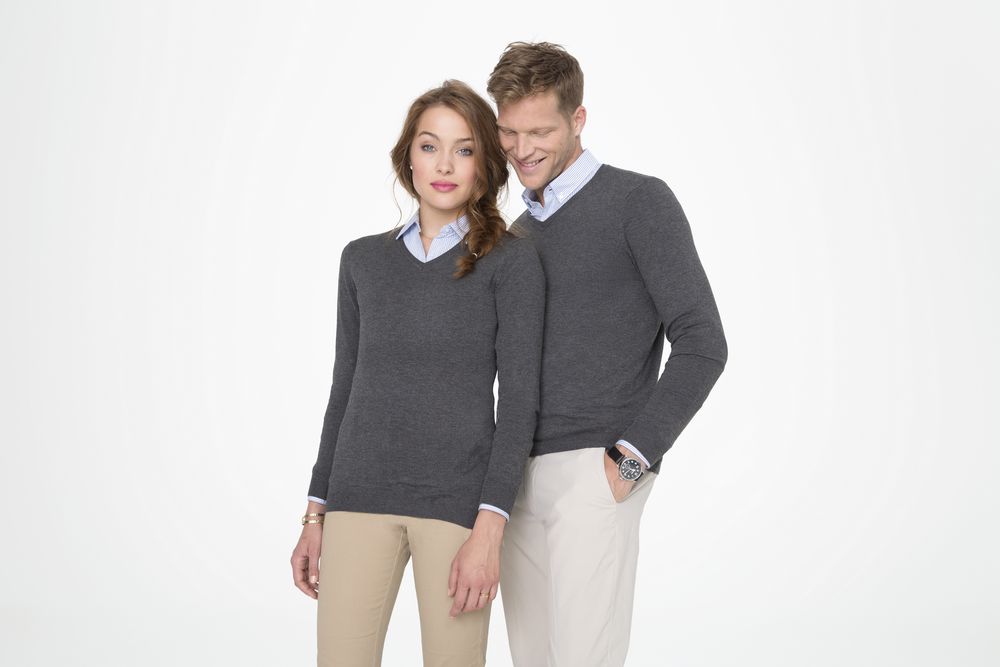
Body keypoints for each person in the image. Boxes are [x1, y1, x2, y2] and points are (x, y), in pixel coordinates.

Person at [486, 42, 729, 666]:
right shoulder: (517, 235)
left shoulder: (638, 202)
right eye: (509, 132)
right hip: (515, 479)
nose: (521, 150)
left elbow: (702, 341)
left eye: (540, 131)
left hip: (595, 471)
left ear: (578, 120)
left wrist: (630, 461)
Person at [289, 79, 545, 667]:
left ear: (485, 164)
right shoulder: (362, 260)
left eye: (464, 149)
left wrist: (490, 527)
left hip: (458, 508)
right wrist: (314, 512)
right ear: (408, 157)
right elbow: (345, 388)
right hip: (357, 499)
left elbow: (520, 404)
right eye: (430, 146)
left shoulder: (511, 262)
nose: (445, 165)